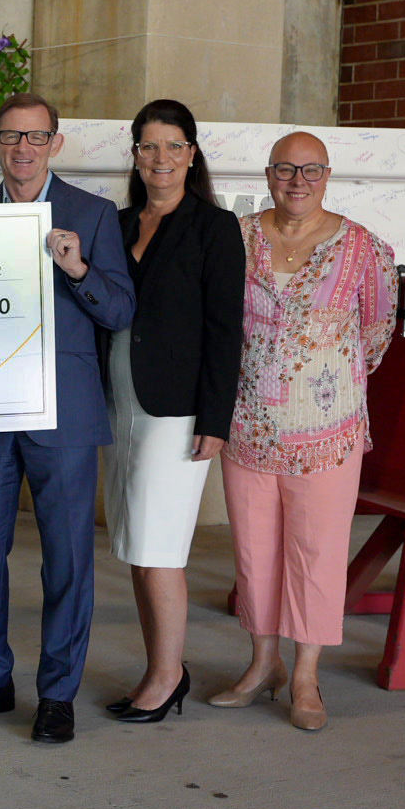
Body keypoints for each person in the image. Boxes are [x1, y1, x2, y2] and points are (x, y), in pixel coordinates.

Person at [0, 91, 134, 744]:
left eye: (35, 137)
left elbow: (119, 311)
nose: (22, 149)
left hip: (66, 417)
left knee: (69, 561)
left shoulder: (94, 214)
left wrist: (76, 266)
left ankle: (58, 692)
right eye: (10, 137)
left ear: (55, 143)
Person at [211, 131, 397, 731]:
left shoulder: (362, 246)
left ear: (328, 174)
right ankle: (263, 662)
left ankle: (307, 675)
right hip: (246, 425)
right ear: (267, 175)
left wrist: (320, 378)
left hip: (327, 430)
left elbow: (375, 332)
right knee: (254, 551)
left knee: (316, 552)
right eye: (286, 170)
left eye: (310, 170)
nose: (298, 181)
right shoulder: (235, 237)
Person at [101, 99, 244, 724]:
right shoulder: (119, 221)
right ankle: (159, 667)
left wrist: (216, 419)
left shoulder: (214, 227)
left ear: (192, 153)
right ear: (136, 155)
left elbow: (225, 330)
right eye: (148, 146)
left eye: (173, 145)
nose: (161, 158)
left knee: (160, 545)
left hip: (179, 410)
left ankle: (167, 677)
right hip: (123, 400)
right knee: (136, 539)